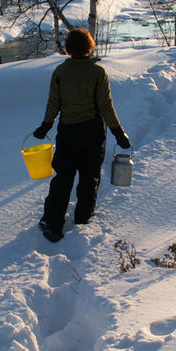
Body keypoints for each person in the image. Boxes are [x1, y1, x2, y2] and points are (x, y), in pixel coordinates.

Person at [32, 27, 131, 242]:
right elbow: (106, 106)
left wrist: (45, 126)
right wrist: (118, 133)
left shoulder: (60, 71)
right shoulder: (98, 72)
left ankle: (53, 224)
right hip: (93, 133)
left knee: (63, 178)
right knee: (89, 177)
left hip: (68, 133)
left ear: (68, 48)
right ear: (89, 46)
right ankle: (83, 221)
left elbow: (53, 103)